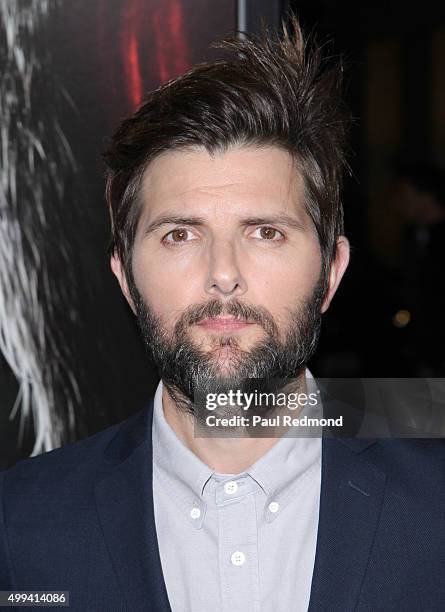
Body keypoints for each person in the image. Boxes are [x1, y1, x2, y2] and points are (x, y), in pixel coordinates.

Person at [1, 16, 444, 612]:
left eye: (265, 232)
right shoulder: (18, 525)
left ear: (331, 272)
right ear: (125, 279)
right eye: (181, 234)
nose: (224, 272)